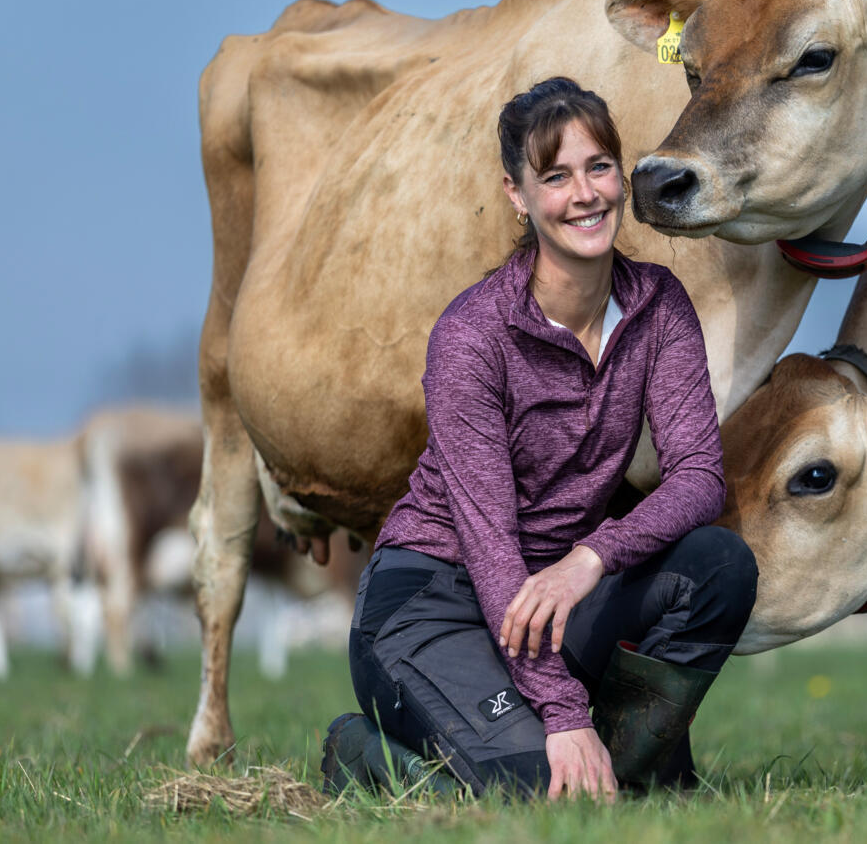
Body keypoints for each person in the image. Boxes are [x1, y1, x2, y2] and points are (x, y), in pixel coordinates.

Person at [320, 77, 758, 800]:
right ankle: (366, 755)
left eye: (598, 167)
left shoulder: (658, 305)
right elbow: (492, 551)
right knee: (536, 787)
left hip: (553, 589)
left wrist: (593, 556)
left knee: (719, 565)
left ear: (621, 174)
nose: (584, 193)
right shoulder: (472, 337)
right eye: (555, 176)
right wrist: (561, 712)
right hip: (435, 599)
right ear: (519, 194)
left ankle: (626, 769)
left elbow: (698, 477)